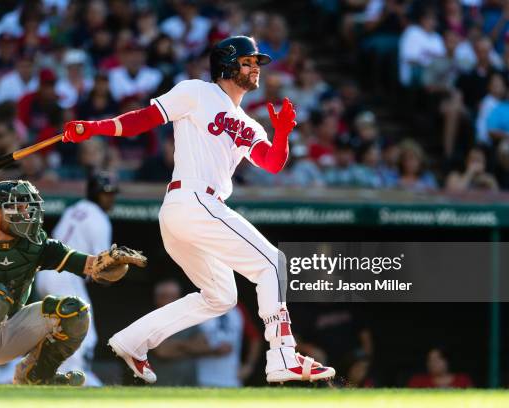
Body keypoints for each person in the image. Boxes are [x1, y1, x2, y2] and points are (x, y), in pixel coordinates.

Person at [61, 35, 335, 384]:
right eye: (248, 62)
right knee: (272, 263)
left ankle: (132, 341)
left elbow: (271, 163)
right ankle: (282, 354)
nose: (255, 69)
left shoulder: (248, 123)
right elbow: (144, 119)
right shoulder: (197, 91)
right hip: (193, 200)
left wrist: (280, 135)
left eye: (257, 64)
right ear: (227, 65)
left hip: (191, 210)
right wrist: (94, 128)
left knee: (221, 296)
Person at [0, 180, 147, 384]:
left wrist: (108, 263)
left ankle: (36, 375)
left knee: (75, 311)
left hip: (9, 330)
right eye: (17, 208)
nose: (26, 214)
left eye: (27, 207)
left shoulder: (37, 244)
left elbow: (89, 265)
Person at [35, 172, 120, 386]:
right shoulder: (99, 218)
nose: (110, 198)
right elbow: (102, 267)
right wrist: (114, 274)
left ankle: (56, 372)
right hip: (64, 276)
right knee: (85, 329)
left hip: (45, 272)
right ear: (95, 193)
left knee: (57, 327)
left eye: (112, 194)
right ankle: (76, 374)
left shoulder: (75, 209)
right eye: (105, 194)